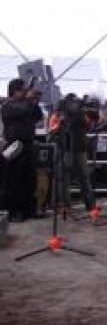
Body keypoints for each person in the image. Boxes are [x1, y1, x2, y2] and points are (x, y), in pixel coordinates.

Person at [1, 78, 44, 222]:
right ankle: (14, 212)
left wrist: (35, 101)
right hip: (15, 146)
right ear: (15, 91)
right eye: (22, 90)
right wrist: (29, 99)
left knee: (29, 179)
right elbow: (22, 110)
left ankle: (29, 210)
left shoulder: (25, 104)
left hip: (29, 145)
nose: (25, 92)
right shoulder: (7, 105)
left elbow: (37, 116)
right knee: (14, 180)